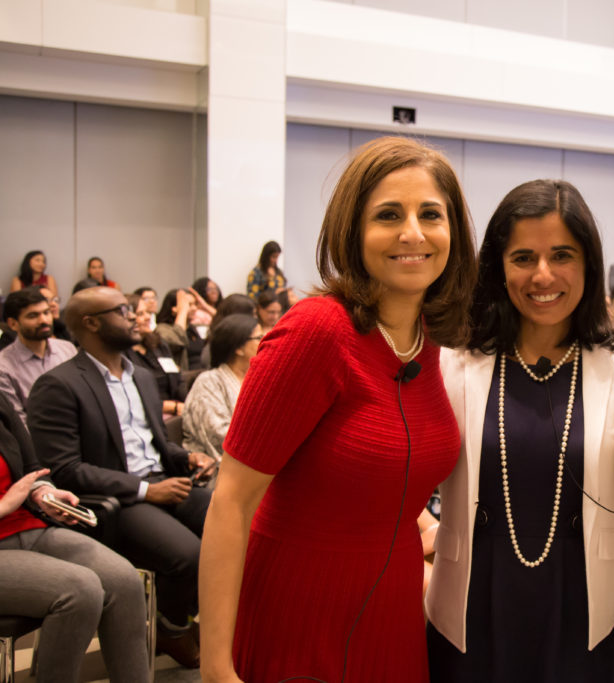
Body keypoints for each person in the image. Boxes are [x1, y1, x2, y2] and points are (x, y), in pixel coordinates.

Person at [199, 136, 477, 683]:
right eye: (389, 215)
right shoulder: (316, 331)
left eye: (431, 215)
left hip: (393, 607)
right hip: (298, 605)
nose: (413, 234)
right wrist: (215, 669)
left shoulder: (434, 342)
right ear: (353, 231)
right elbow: (230, 503)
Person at [426, 180, 614, 682]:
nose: (543, 275)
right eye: (523, 257)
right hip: (472, 608)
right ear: (497, 267)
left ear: (588, 263)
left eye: (562, 255)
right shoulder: (452, 359)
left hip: (585, 609)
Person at [26, 286, 216, 668]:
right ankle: (172, 626)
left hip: (162, 480)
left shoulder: (141, 376)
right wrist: (147, 490)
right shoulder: (60, 384)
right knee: (189, 554)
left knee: (232, 526)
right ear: (91, 323)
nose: (133, 316)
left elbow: (153, 442)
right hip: (115, 498)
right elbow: (65, 469)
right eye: (121, 310)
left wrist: (187, 456)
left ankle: (195, 615)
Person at [0, 392, 150, 683]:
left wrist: (44, 493)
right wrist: (4, 506)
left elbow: (32, 469)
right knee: (80, 591)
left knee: (124, 580)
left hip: (27, 526)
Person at [182, 314, 262, 461]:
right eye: (258, 338)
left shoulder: (256, 378)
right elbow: (219, 434)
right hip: (219, 468)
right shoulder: (209, 382)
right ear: (239, 348)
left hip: (252, 457)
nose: (264, 342)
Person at [0, 288, 76, 424]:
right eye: (33, 316)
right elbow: (18, 424)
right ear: (13, 324)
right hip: (38, 440)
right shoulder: (4, 367)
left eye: (46, 313)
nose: (44, 320)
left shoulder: (67, 349)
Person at [124, 293, 184, 415]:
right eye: (140, 314)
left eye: (147, 312)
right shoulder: (122, 355)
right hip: (148, 413)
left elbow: (177, 379)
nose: (148, 317)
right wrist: (172, 407)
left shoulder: (159, 344)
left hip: (176, 409)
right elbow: (134, 397)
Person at [155, 288, 206, 372]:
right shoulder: (162, 328)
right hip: (185, 378)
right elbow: (178, 340)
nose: (194, 308)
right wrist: (182, 311)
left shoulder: (192, 328)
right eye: (189, 305)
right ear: (173, 309)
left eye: (195, 304)